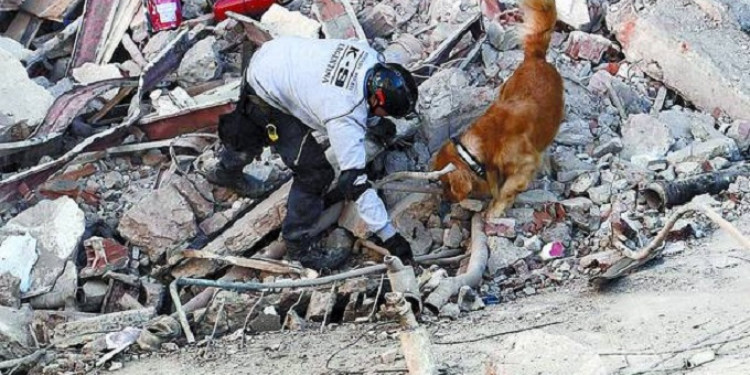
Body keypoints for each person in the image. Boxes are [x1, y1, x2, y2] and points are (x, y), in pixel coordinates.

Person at [204, 36, 419, 271]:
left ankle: (226, 171)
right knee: (314, 172)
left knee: (251, 128)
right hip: (267, 85)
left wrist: (376, 123)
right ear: (377, 99)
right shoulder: (343, 112)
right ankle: (298, 244)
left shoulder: (370, 57)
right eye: (385, 112)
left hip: (276, 54)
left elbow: (361, 96)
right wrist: (390, 236)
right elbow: (354, 182)